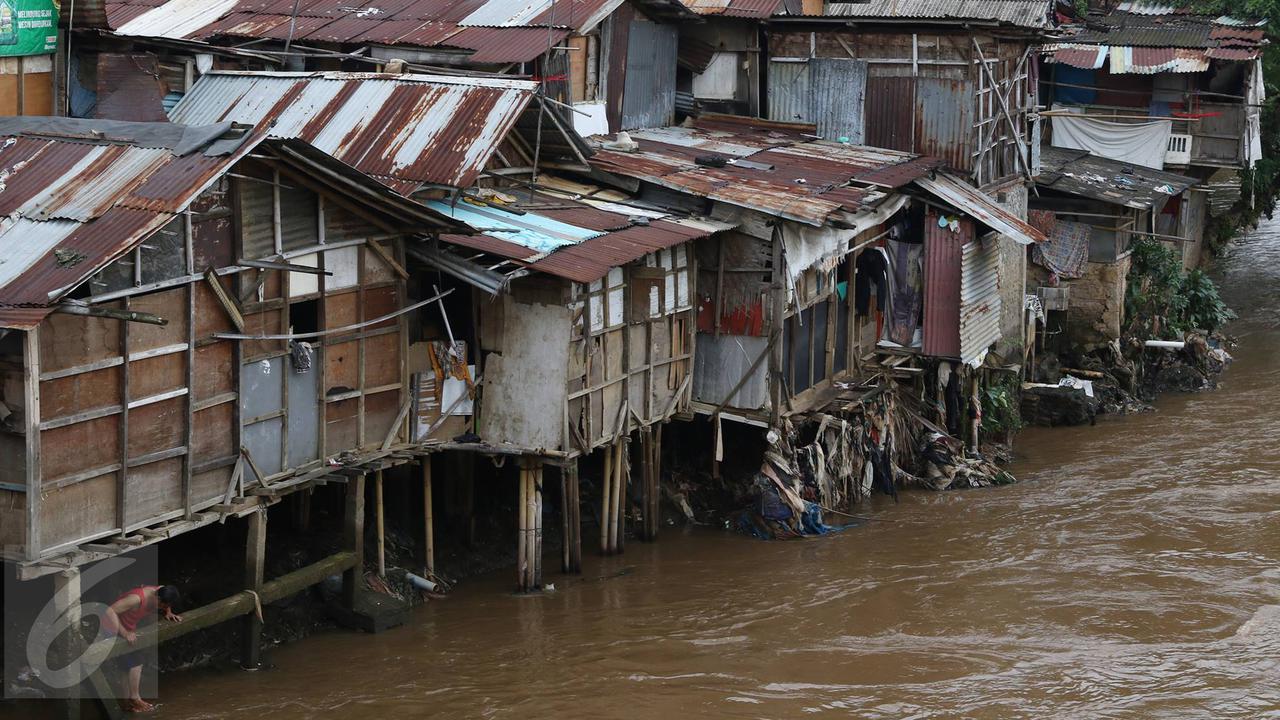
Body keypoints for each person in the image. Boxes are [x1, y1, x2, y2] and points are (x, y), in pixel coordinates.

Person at [101, 585, 182, 712]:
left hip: (127, 625)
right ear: (157, 597)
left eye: (165, 606)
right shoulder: (136, 599)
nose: (161, 608)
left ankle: (126, 702)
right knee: (136, 661)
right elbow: (109, 611)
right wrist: (125, 633)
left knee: (125, 666)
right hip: (110, 626)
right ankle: (135, 697)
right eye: (161, 606)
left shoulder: (161, 590)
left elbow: (165, 593)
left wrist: (168, 612)